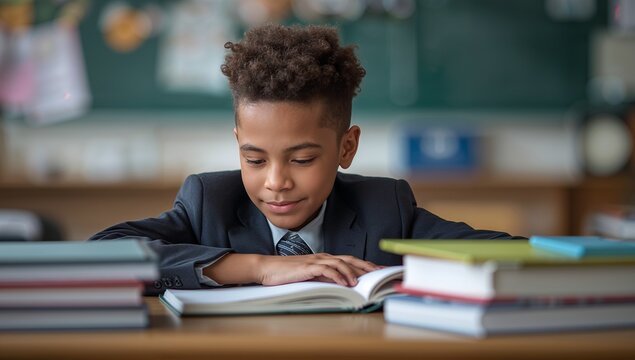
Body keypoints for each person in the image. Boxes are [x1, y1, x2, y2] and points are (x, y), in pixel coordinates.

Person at [91, 24, 516, 294]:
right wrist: (259, 268)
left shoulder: (384, 208)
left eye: (302, 160)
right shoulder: (209, 202)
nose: (276, 181)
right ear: (238, 143)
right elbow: (101, 257)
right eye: (254, 160)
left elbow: (495, 253)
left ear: (346, 148)